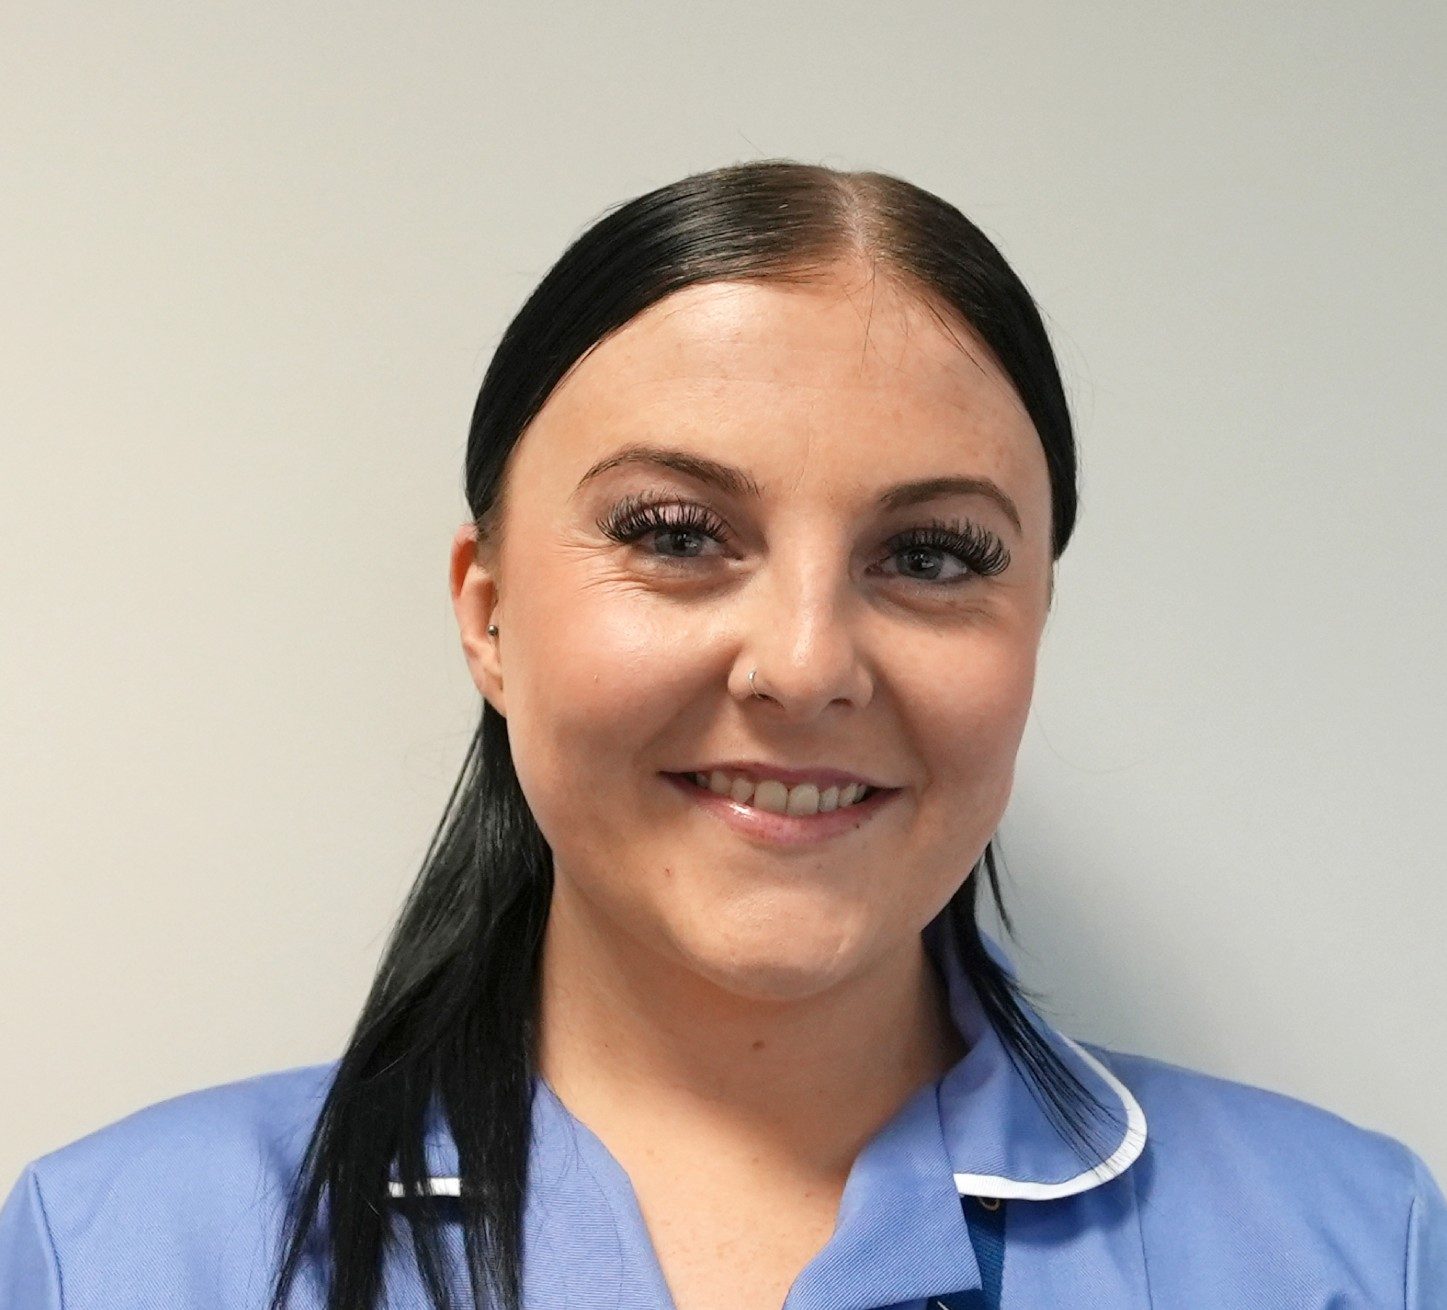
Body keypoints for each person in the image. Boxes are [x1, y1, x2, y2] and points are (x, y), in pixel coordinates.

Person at [1, 159, 1442, 1310]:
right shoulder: (120, 1252)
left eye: (936, 554)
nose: (806, 662)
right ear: (489, 617)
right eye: (679, 533)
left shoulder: (1351, 1252)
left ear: (1036, 625)